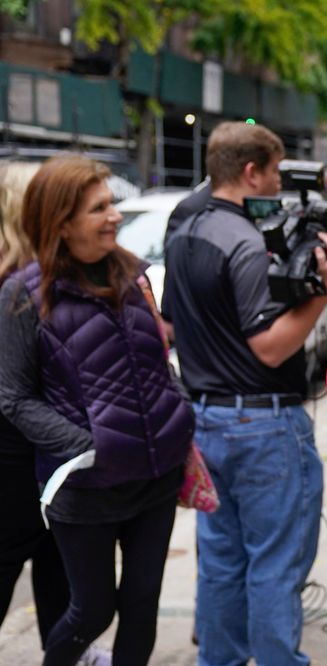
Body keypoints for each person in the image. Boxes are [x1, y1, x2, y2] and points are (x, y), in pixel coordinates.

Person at [0, 155, 194, 665]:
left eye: (111, 204)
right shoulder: (22, 294)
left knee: (141, 607)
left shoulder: (136, 275)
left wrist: (179, 414)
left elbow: (159, 360)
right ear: (61, 221)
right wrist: (90, 447)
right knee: (92, 612)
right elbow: (14, 398)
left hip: (155, 478)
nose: (114, 216)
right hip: (85, 489)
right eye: (98, 208)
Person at [162, 121, 327, 666]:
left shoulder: (184, 232)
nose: (276, 186)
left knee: (222, 562)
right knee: (274, 565)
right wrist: (326, 287)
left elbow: (171, 324)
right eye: (273, 173)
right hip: (262, 427)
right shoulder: (244, 243)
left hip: (207, 419)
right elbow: (269, 347)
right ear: (250, 171)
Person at [0, 161, 73, 656]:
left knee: (61, 587)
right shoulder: (21, 286)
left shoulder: (50, 278)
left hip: (49, 460)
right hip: (23, 461)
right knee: (55, 582)